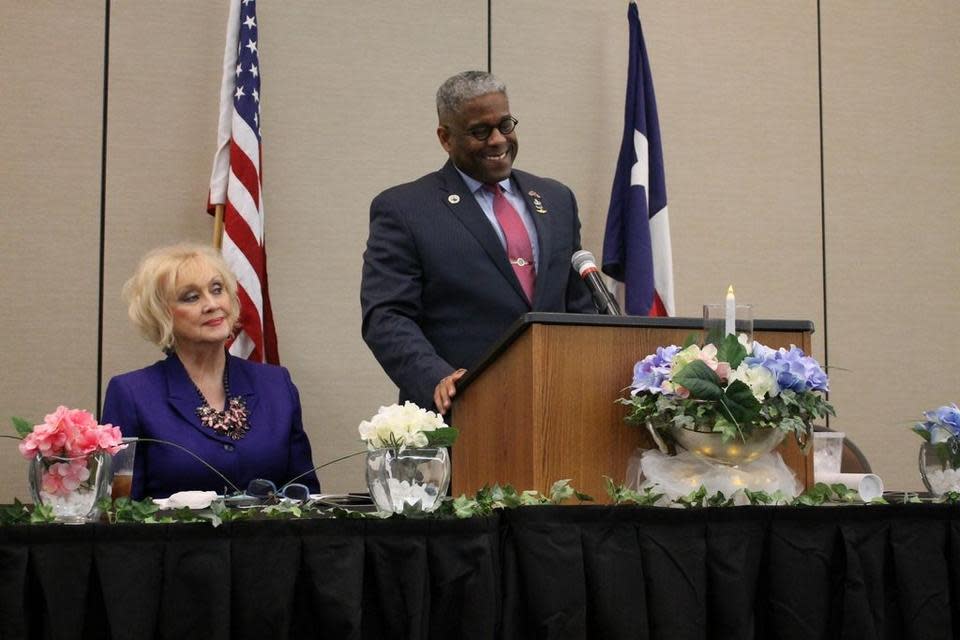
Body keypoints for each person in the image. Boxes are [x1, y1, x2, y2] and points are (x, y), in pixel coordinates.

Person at [361, 70, 595, 415]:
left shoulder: (556, 198)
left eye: (506, 125)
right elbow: (387, 315)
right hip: (463, 409)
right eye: (480, 131)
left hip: (555, 406)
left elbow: (579, 307)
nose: (498, 140)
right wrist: (436, 377)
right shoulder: (405, 209)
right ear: (445, 137)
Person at [101, 243, 319, 499]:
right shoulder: (131, 394)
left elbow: (306, 496)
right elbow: (118, 507)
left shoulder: (276, 385)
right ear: (161, 314)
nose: (212, 304)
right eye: (191, 297)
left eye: (217, 290)